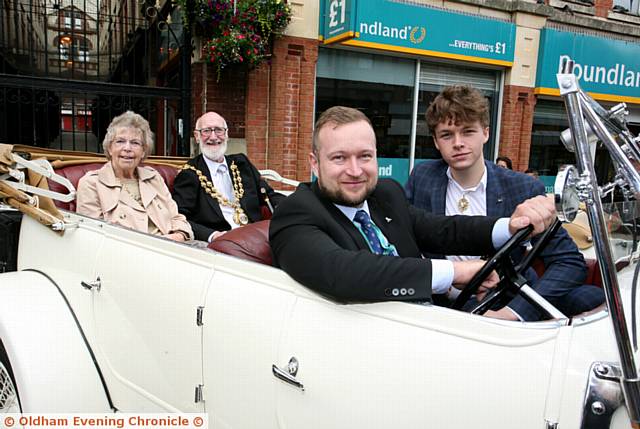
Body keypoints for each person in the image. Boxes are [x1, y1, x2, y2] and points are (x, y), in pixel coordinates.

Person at [269, 106, 556, 305]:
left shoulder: (385, 193)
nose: (355, 171)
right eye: (339, 158)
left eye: (365, 156)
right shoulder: (295, 212)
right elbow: (341, 272)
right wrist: (455, 273)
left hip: (434, 319)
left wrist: (510, 226)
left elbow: (442, 229)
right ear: (314, 164)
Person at [405, 85, 604, 320]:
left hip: (509, 297)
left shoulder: (521, 187)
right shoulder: (423, 177)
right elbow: (403, 240)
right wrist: (444, 284)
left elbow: (569, 261)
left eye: (468, 131)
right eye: (447, 135)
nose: (458, 143)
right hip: (445, 300)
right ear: (436, 142)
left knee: (592, 298)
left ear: (486, 134)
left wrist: (513, 313)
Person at [77, 111, 193, 242]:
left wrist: (179, 236)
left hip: (174, 247)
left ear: (143, 151)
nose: (127, 148)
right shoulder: (91, 183)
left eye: (135, 143)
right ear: (109, 148)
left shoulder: (154, 178)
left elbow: (176, 217)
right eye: (120, 141)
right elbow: (94, 236)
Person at [172, 111, 285, 242]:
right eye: (207, 131)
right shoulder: (189, 174)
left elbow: (269, 196)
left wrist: (295, 208)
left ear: (226, 134)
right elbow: (181, 218)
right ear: (197, 136)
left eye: (219, 130)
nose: (213, 137)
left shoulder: (242, 163)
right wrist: (212, 235)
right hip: (224, 241)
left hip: (257, 236)